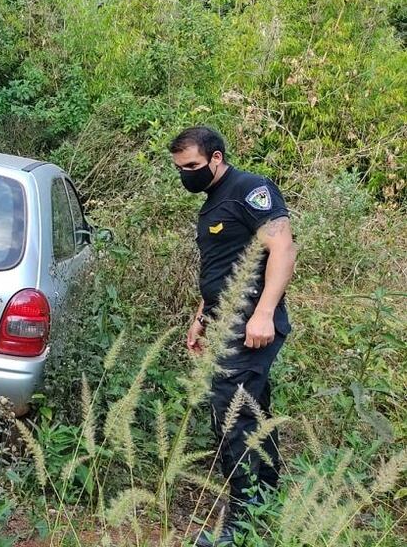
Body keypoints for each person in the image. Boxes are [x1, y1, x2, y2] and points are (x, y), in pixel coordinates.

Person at [169, 126, 297, 546]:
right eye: (180, 169)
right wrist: (201, 316)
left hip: (250, 326)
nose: (186, 175)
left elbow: (282, 249)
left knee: (233, 419)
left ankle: (238, 529)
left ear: (217, 158)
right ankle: (266, 498)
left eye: (192, 166)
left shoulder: (250, 189)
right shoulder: (212, 204)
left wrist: (262, 314)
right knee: (254, 410)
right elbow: (223, 268)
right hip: (223, 323)